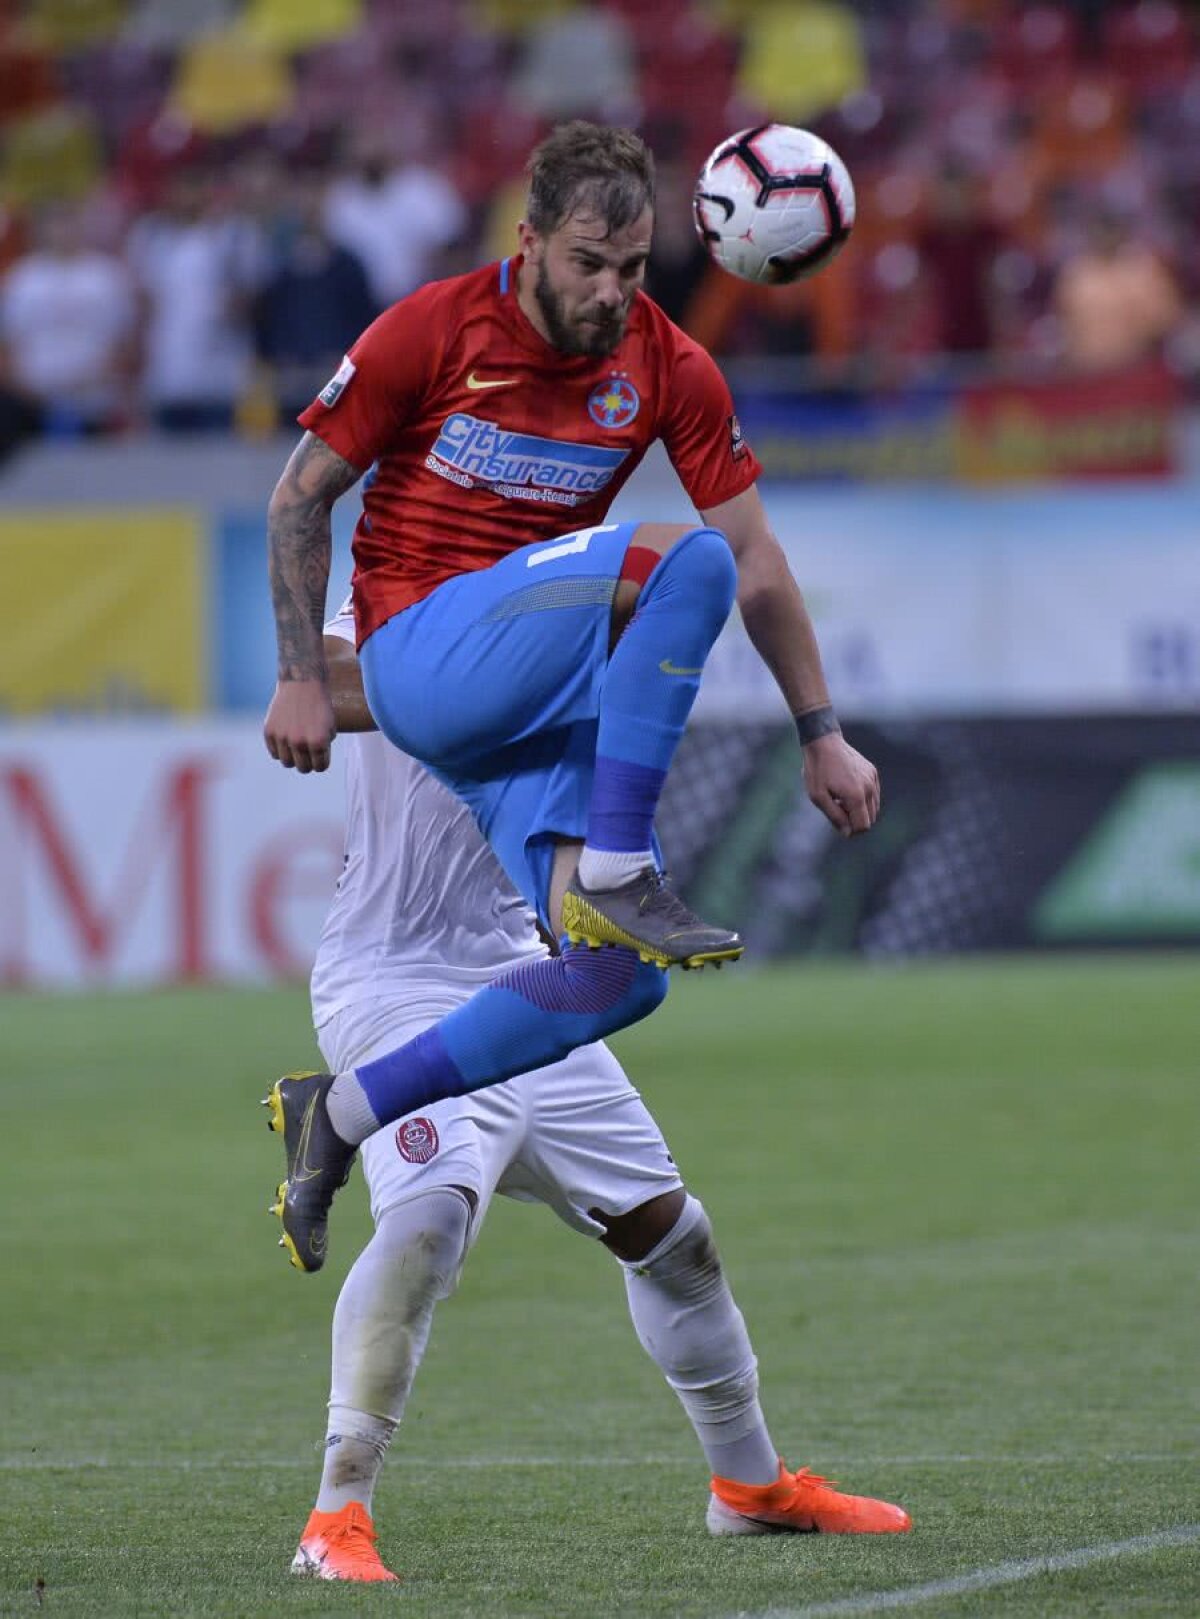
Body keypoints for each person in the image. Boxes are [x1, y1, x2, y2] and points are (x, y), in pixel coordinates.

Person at [262, 121, 880, 1276]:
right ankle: (617, 863)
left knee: (616, 976)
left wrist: (822, 730)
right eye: (589, 264)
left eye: (634, 269)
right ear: (531, 240)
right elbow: (297, 500)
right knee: (675, 564)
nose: (611, 292)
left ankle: (336, 1113)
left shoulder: (666, 366)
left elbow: (760, 559)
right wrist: (304, 671)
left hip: (519, 704)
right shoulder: (435, 328)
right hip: (416, 646)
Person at [267, 605, 910, 1582]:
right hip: (391, 977)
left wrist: (810, 730)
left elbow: (729, 592)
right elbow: (329, 682)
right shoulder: (399, 589)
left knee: (669, 1232)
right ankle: (334, 1518)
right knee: (428, 1219)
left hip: (524, 973)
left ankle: (750, 1488)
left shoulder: (564, 591)